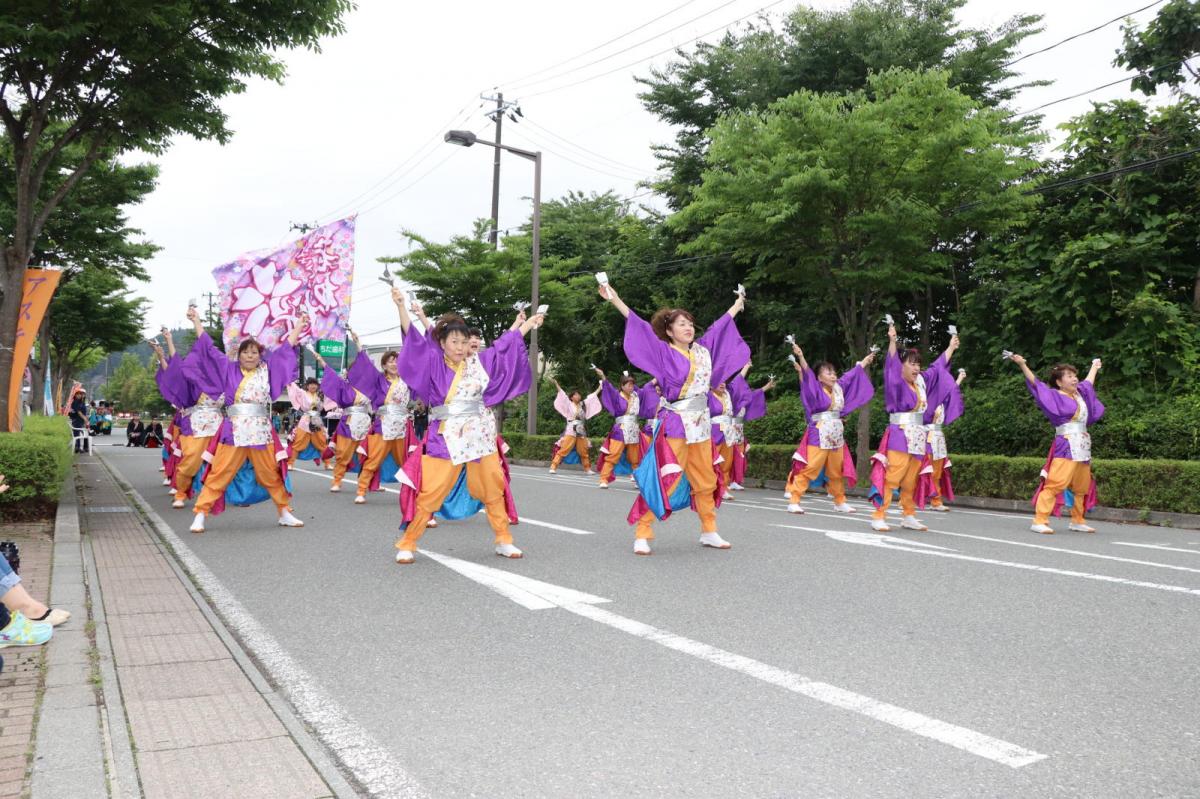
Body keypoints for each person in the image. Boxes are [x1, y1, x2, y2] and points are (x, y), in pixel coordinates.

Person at [391, 287, 543, 564]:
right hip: (445, 435)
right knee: (432, 490)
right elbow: (413, 341)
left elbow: (502, 350)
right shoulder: (433, 362)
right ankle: (408, 541)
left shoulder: (478, 363)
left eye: (464, 342)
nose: (460, 347)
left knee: (493, 487)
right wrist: (401, 307)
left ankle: (503, 539)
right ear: (442, 343)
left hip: (479, 434)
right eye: (454, 341)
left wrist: (527, 325)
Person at [598, 280, 750, 555]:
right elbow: (640, 328)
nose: (688, 327)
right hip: (676, 422)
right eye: (681, 324)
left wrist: (737, 305)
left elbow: (719, 328)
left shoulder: (702, 350)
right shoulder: (663, 351)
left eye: (690, 323)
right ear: (669, 331)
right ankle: (643, 532)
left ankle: (709, 530)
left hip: (701, 424)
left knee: (706, 479)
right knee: (663, 475)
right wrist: (615, 299)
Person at [183, 306, 306, 533]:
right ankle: (200, 513)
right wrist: (197, 321)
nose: (250, 355)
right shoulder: (227, 369)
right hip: (234, 430)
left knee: (270, 473)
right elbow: (209, 349)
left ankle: (284, 512)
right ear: (238, 355)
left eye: (254, 352)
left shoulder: (267, 370)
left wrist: (298, 326)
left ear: (260, 355)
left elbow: (285, 350)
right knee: (221, 472)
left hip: (260, 430)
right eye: (246, 352)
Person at [868, 324, 959, 532]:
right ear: (901, 366)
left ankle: (908, 515)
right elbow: (890, 365)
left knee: (912, 479)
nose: (916, 368)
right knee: (893, 476)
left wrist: (951, 348)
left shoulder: (921, 383)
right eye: (911, 364)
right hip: (900, 434)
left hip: (918, 435)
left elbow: (937, 368)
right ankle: (879, 515)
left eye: (918, 364)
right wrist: (892, 341)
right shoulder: (896, 382)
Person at [1009, 354, 1105, 534]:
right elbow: (1036, 384)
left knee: (1081, 486)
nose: (1074, 379)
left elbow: (1088, 383)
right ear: (1059, 382)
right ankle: (1040, 520)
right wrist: (1022, 364)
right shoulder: (1054, 395)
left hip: (1083, 445)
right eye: (1069, 376)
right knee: (1056, 482)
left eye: (1074, 375)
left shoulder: (1080, 394)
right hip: (1066, 443)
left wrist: (1094, 366)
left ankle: (1077, 520)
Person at [785, 343, 876, 514]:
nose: (833, 375)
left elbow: (851, 375)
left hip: (835, 434)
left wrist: (864, 362)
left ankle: (839, 501)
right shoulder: (814, 388)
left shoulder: (838, 387)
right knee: (811, 467)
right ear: (819, 378)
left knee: (836, 470)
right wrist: (801, 357)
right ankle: (794, 499)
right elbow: (807, 374)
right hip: (818, 433)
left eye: (834, 373)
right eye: (828, 373)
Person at [328, 330, 413, 504]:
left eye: (397, 361)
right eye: (390, 361)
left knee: (406, 461)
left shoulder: (407, 380)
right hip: (383, 424)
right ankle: (361, 490)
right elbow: (366, 365)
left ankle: (413, 494)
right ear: (384, 365)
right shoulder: (378, 380)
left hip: (403, 425)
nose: (394, 364)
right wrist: (358, 344)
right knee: (373, 458)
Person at [153, 333, 226, 509]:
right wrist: (168, 342)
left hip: (218, 426)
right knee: (190, 461)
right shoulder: (192, 380)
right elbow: (175, 371)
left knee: (222, 462)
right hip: (194, 425)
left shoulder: (223, 378)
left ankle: (215, 494)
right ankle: (181, 492)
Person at [319, 352, 376, 495]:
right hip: (348, 423)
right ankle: (337, 480)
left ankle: (368, 481)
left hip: (365, 423)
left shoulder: (369, 387)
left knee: (368, 454)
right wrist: (321, 361)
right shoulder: (344, 386)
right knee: (343, 453)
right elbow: (331, 376)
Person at [726, 363, 775, 491]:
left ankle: (735, 480)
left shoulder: (742, 398)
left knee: (739, 455)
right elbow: (738, 380)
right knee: (728, 455)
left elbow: (753, 395)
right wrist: (746, 366)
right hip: (727, 428)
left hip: (738, 429)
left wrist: (767, 387)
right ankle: (725, 481)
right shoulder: (729, 394)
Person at [924, 367, 967, 512]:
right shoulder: (923, 398)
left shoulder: (942, 401)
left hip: (938, 438)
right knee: (919, 469)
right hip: (924, 437)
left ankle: (935, 501)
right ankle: (907, 499)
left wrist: (959, 379)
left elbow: (952, 393)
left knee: (937, 472)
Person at [594, 368, 646, 487]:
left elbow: (646, 392)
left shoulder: (635, 396)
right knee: (613, 455)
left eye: (632, 385)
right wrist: (603, 376)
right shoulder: (617, 395)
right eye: (628, 385)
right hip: (620, 429)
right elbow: (608, 388)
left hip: (633, 429)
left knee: (635, 458)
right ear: (622, 386)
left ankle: (637, 480)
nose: (631, 387)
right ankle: (604, 479)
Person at [548, 379, 601, 474]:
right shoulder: (568, 404)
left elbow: (592, 397)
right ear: (572, 397)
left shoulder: (583, 404)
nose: (578, 396)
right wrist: (556, 384)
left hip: (581, 429)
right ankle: (553, 466)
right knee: (564, 448)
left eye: (579, 394)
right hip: (571, 429)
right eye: (576, 395)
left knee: (583, 450)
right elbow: (562, 394)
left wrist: (600, 387)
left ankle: (587, 469)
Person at [286, 378, 333, 470]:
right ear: (307, 386)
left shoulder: (320, 395)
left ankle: (327, 463)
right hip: (305, 420)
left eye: (315, 384)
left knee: (322, 442)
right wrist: (290, 380)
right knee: (298, 441)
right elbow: (294, 389)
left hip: (317, 421)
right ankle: (290, 463)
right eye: (311, 384)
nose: (313, 386)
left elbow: (330, 393)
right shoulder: (303, 393)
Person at [68, 388, 89, 453]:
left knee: (85, 433)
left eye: (81, 394)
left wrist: (86, 419)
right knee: (77, 434)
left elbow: (84, 412)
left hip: (81, 420)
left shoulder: (82, 402)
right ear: (75, 395)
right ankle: (78, 447)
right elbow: (79, 412)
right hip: (77, 420)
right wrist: (85, 419)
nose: (80, 395)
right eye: (78, 394)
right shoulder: (75, 402)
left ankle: (84, 447)